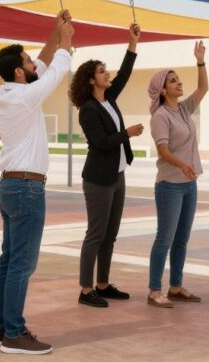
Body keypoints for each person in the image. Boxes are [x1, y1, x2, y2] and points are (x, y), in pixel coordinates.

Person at [0, 10, 73, 355]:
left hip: (12, 186)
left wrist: (54, 32)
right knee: (22, 263)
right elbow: (56, 70)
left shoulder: (10, 92)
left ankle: (0, 329)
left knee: (9, 261)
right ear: (18, 71)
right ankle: (14, 333)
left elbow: (41, 61)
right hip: (26, 189)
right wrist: (67, 40)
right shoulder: (25, 95)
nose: (32, 61)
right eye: (26, 60)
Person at [71, 23, 143, 308]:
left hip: (118, 174)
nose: (107, 74)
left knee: (110, 235)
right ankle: (86, 289)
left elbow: (124, 75)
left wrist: (132, 44)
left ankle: (102, 283)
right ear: (91, 80)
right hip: (98, 179)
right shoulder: (88, 110)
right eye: (101, 71)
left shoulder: (110, 98)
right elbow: (100, 142)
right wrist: (128, 133)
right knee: (96, 234)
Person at [147, 41, 209, 308]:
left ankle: (175, 286)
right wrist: (182, 164)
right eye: (173, 81)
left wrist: (200, 61)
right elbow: (162, 150)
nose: (179, 83)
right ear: (162, 89)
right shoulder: (160, 116)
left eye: (178, 79)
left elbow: (204, 88)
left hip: (189, 184)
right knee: (165, 238)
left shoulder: (183, 109)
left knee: (182, 239)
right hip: (170, 185)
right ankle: (153, 291)